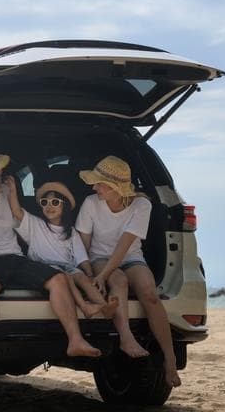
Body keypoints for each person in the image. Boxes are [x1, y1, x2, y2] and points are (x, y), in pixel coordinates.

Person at [0, 146, 101, 381]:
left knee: (58, 278)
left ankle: (75, 340)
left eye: (0, 176)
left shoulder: (6, 189)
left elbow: (19, 218)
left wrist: (12, 192)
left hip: (15, 256)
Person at [4, 177, 148, 358]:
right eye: (45, 202)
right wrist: (12, 190)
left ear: (64, 206)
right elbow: (17, 211)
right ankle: (86, 307)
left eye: (55, 202)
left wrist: (91, 277)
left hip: (69, 268)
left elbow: (82, 258)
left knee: (81, 277)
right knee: (66, 277)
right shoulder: (35, 225)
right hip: (46, 268)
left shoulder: (71, 233)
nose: (49, 206)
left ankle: (104, 307)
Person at [76, 155, 182, 388]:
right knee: (120, 280)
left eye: (100, 184)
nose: (95, 188)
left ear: (116, 188)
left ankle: (170, 357)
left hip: (130, 256)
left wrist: (103, 276)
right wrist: (88, 274)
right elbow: (83, 242)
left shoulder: (141, 205)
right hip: (99, 258)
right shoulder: (91, 203)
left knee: (150, 293)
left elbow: (126, 244)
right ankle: (126, 338)